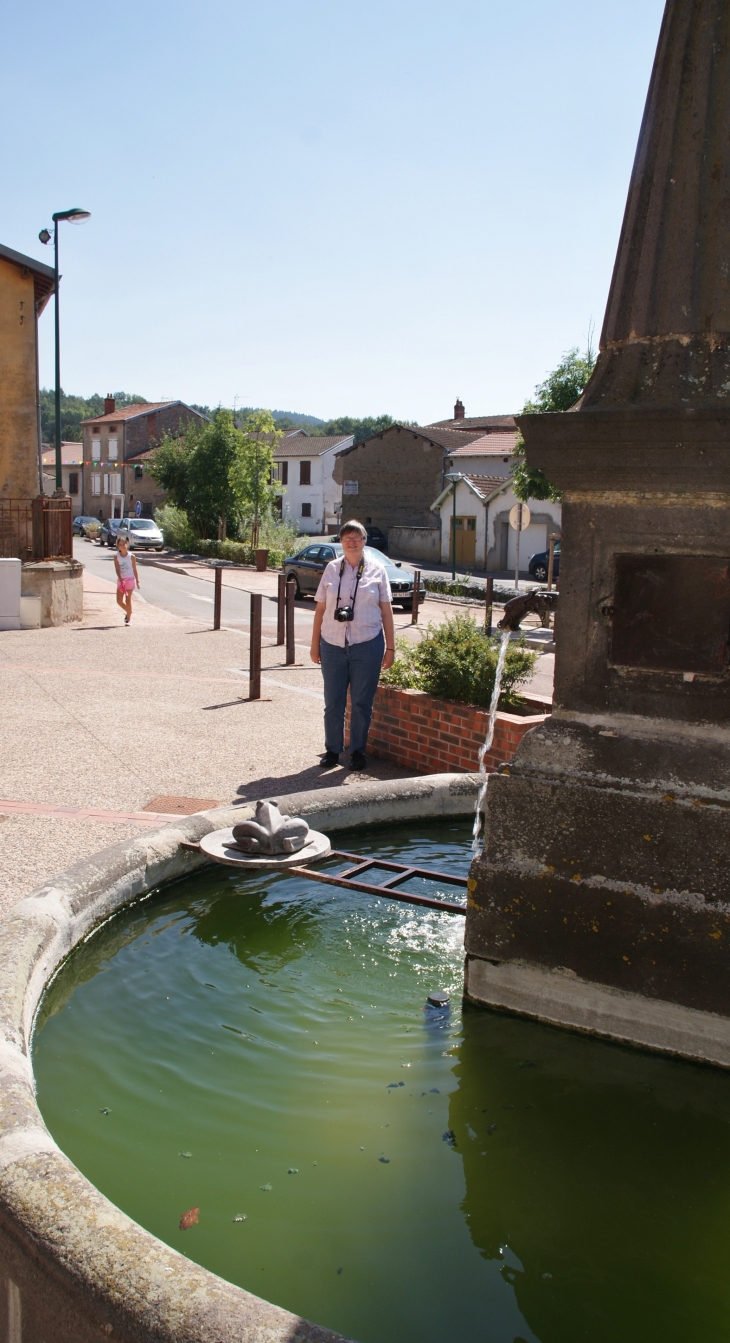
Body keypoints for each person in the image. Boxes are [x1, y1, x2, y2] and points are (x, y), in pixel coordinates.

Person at [310, 520, 396, 770]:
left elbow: (387, 611)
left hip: (367, 644)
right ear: (341, 541)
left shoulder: (378, 570)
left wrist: (391, 647)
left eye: (356, 537)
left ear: (364, 541)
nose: (352, 541)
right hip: (333, 643)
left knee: (361, 702)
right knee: (333, 702)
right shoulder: (331, 569)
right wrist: (315, 645)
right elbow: (320, 609)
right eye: (347, 537)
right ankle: (332, 750)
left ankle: (358, 751)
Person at [114, 534, 140, 625]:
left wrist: (137, 581)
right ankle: (129, 611)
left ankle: (128, 619)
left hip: (129, 579)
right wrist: (120, 578)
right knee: (119, 601)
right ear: (118, 546)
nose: (122, 546)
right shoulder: (116, 557)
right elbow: (117, 568)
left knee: (128, 599)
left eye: (123, 544)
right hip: (121, 580)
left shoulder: (131, 556)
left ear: (127, 544)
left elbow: (135, 569)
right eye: (120, 544)